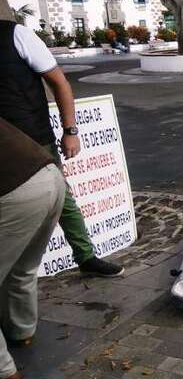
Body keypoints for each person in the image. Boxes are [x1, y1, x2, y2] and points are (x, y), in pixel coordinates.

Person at [0, 19, 123, 277]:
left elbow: (59, 83)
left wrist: (70, 131)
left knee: (62, 200)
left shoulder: (16, 34)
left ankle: (85, 256)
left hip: (34, 141)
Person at [0, 118, 66, 379]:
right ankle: (22, 333)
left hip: (16, 190)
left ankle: (5, 374)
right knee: (23, 268)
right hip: (48, 175)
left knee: (21, 268)